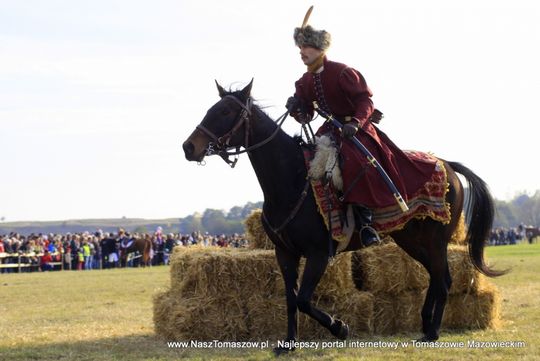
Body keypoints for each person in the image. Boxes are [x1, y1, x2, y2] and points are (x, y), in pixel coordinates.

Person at [287, 7, 436, 247]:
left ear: (320, 49)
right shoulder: (304, 81)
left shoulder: (343, 72)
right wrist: (296, 107)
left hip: (357, 129)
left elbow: (365, 101)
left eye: (306, 47)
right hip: (330, 131)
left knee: (354, 163)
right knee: (306, 160)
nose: (301, 53)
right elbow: (305, 115)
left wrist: (355, 123)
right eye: (300, 48)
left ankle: (366, 224)